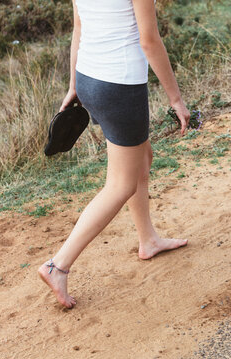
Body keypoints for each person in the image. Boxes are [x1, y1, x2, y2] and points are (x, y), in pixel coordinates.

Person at [38, 0, 189, 309]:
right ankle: (58, 265)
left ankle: (148, 240)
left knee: (141, 158)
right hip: (120, 86)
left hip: (89, 79)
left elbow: (79, 28)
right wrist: (176, 99)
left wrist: (73, 85)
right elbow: (149, 40)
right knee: (121, 184)